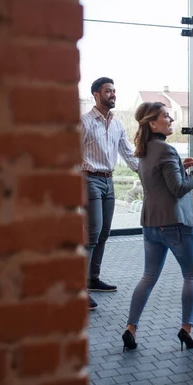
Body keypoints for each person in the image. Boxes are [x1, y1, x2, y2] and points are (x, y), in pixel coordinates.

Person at [121, 102, 193, 352]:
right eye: (166, 116)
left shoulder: (144, 150)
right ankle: (187, 330)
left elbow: (160, 180)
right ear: (152, 123)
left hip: (150, 223)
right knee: (191, 275)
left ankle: (130, 328)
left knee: (148, 277)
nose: (171, 120)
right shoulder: (167, 150)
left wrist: (179, 167)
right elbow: (179, 188)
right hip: (175, 224)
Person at [80, 77, 139, 310]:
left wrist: (147, 173)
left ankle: (92, 279)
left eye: (114, 91)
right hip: (90, 179)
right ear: (96, 94)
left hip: (109, 181)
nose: (113, 94)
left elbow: (128, 153)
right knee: (92, 235)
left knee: (104, 233)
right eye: (108, 91)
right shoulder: (84, 123)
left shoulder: (118, 124)